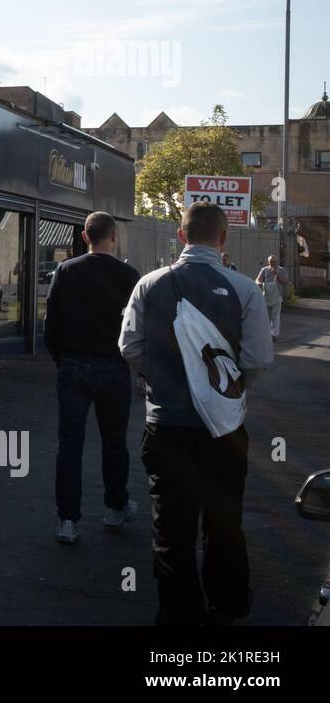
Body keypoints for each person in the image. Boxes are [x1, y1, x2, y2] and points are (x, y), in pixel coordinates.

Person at [119, 202, 274, 626]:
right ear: (223, 238)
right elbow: (258, 357)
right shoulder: (246, 289)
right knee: (225, 520)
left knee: (172, 526)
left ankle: (180, 613)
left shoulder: (149, 285)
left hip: (167, 425)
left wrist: (164, 379)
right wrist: (224, 392)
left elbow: (129, 347)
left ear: (182, 236)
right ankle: (228, 603)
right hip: (225, 430)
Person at [44, 212, 141, 545]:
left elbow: (51, 323)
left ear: (85, 237)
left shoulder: (66, 271)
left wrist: (62, 358)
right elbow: (136, 329)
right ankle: (115, 507)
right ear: (113, 236)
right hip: (113, 368)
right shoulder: (129, 276)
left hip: (73, 365)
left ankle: (67, 520)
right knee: (114, 441)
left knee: (70, 443)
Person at [255, 256, 288, 340]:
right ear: (268, 262)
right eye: (270, 262)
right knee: (266, 316)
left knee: (275, 316)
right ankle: (266, 333)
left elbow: (285, 281)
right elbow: (258, 280)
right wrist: (259, 283)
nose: (272, 263)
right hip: (266, 296)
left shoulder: (281, 270)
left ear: (276, 261)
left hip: (277, 296)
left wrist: (276, 273)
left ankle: (274, 334)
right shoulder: (264, 270)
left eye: (273, 261)